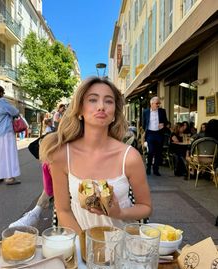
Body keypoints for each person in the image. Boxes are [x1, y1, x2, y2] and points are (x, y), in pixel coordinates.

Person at [39, 76, 152, 235]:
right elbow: (63, 210)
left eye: (108, 101)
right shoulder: (61, 155)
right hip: (80, 244)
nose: (101, 106)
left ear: (114, 113)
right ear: (79, 109)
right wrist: (86, 246)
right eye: (92, 100)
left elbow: (145, 207)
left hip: (123, 246)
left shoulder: (130, 157)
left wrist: (119, 213)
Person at [142, 96, 168, 176]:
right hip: (150, 133)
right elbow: (143, 124)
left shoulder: (162, 111)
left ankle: (156, 169)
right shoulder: (145, 112)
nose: (158, 105)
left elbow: (166, 122)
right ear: (152, 104)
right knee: (151, 151)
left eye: (159, 103)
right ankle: (149, 167)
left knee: (158, 153)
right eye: (157, 103)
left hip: (159, 134)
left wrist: (163, 125)